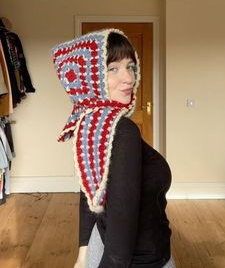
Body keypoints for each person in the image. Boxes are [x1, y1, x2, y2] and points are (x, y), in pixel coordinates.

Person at [52, 28, 175, 268]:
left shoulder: (94, 124)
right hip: (142, 260)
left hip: (102, 244)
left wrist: (83, 255)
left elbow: (89, 193)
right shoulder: (122, 130)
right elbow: (120, 248)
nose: (129, 78)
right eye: (113, 69)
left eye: (130, 66)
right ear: (90, 78)